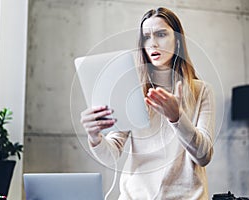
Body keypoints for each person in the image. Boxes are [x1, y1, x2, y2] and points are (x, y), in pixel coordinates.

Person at [80, 7, 215, 200]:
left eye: (161, 34)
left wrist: (177, 118)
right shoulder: (131, 90)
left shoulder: (201, 91)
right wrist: (94, 137)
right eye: (146, 37)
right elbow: (111, 154)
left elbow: (203, 156)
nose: (153, 43)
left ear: (177, 40)